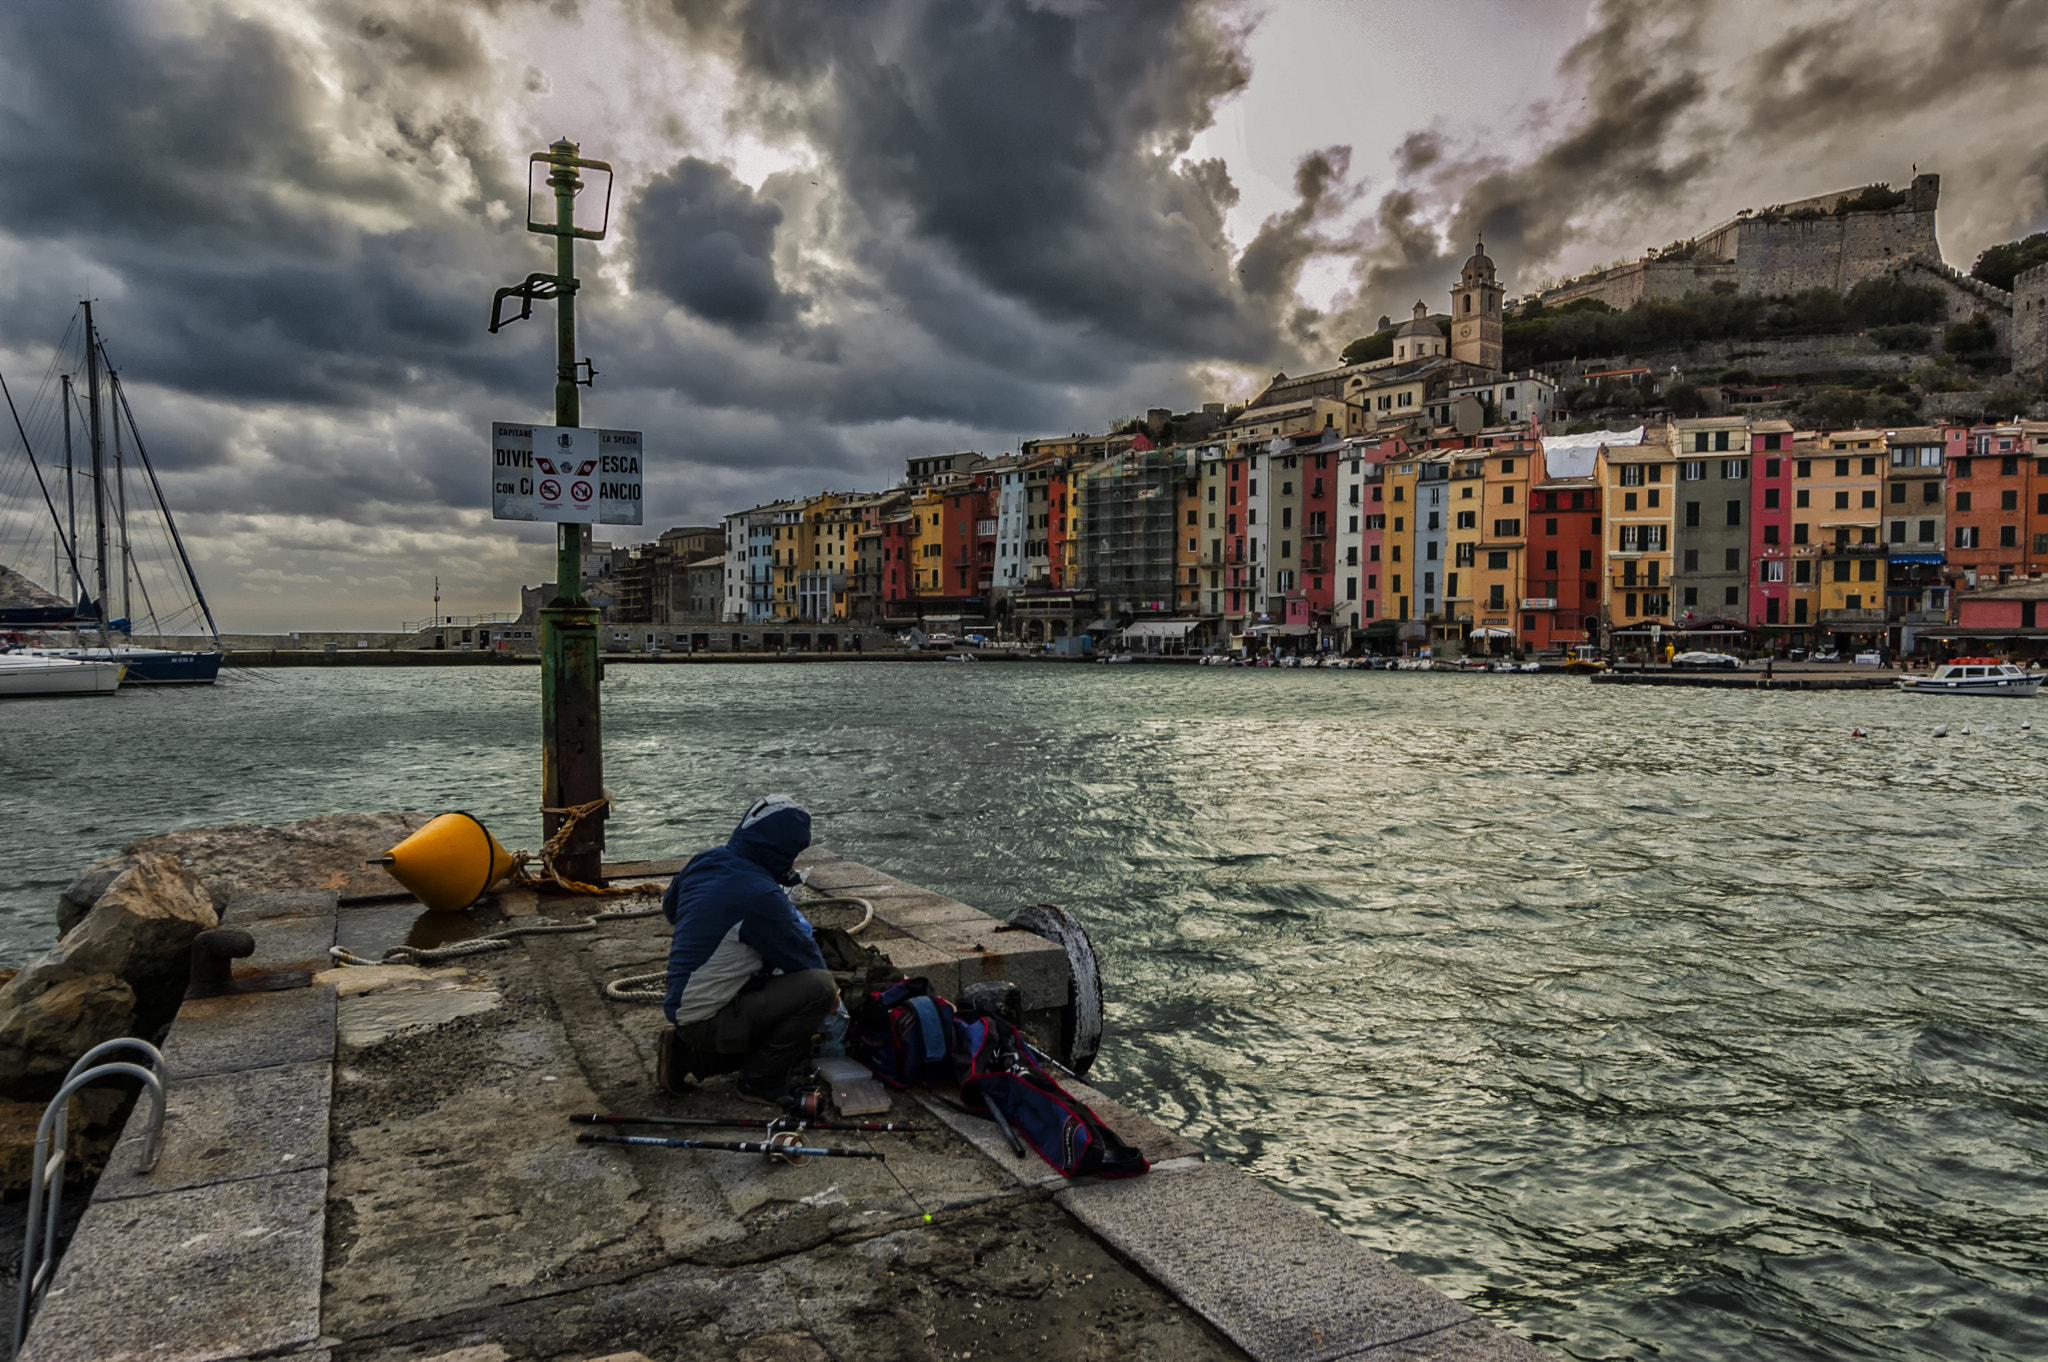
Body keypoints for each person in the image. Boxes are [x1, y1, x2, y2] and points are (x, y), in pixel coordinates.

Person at [660, 794, 838, 1105]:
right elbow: (807, 962)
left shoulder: (706, 860)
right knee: (820, 991)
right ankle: (760, 1083)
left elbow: (671, 909)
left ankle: (687, 1056)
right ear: (783, 849)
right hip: (707, 1020)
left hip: (685, 1008)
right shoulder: (761, 894)